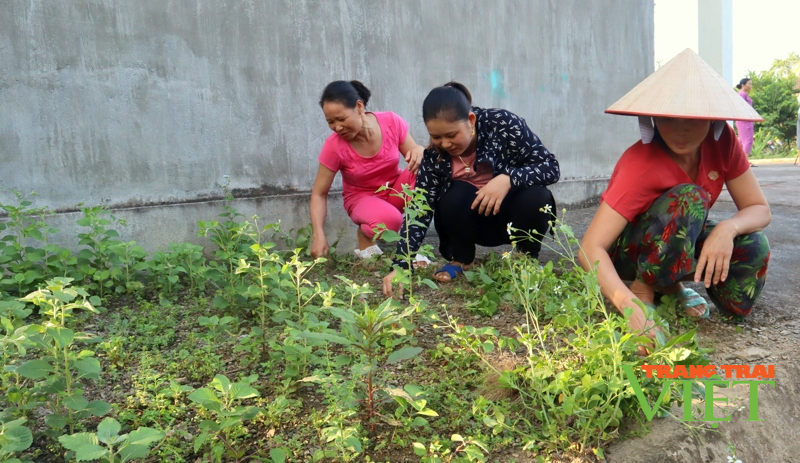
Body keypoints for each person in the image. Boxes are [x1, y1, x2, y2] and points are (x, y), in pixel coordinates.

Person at [580, 49, 771, 342]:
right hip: (631, 251)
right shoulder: (640, 163)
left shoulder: (723, 145)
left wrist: (727, 228)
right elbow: (590, 248)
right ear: (652, 118)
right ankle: (646, 288)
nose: (680, 131)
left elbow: (759, 208)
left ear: (712, 118)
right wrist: (627, 305)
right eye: (668, 119)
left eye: (693, 119)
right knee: (689, 199)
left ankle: (669, 285)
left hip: (677, 243)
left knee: (753, 243)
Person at [382, 82, 560, 297]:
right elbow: (420, 208)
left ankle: (526, 260)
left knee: (537, 198)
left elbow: (550, 167)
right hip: (472, 225)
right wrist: (401, 266)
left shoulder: (503, 124)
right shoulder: (433, 157)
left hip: (513, 217)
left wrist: (509, 179)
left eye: (451, 134)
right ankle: (462, 260)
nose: (445, 144)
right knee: (453, 196)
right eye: (436, 137)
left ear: (471, 120)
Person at [310, 80, 425, 259]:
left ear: (359, 106)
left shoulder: (391, 122)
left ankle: (413, 248)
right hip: (362, 199)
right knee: (392, 221)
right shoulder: (334, 146)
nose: (337, 127)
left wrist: (420, 150)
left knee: (427, 172)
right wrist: (318, 235)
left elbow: (414, 157)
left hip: (393, 190)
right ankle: (365, 235)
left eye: (341, 119)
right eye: (330, 122)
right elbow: (319, 194)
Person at [735, 78, 755, 157]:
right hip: (745, 120)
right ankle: (745, 161)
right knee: (748, 140)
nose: (750, 86)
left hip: (742, 120)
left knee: (742, 141)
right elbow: (740, 106)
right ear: (743, 85)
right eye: (749, 84)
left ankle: (741, 161)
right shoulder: (742, 94)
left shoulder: (740, 94)